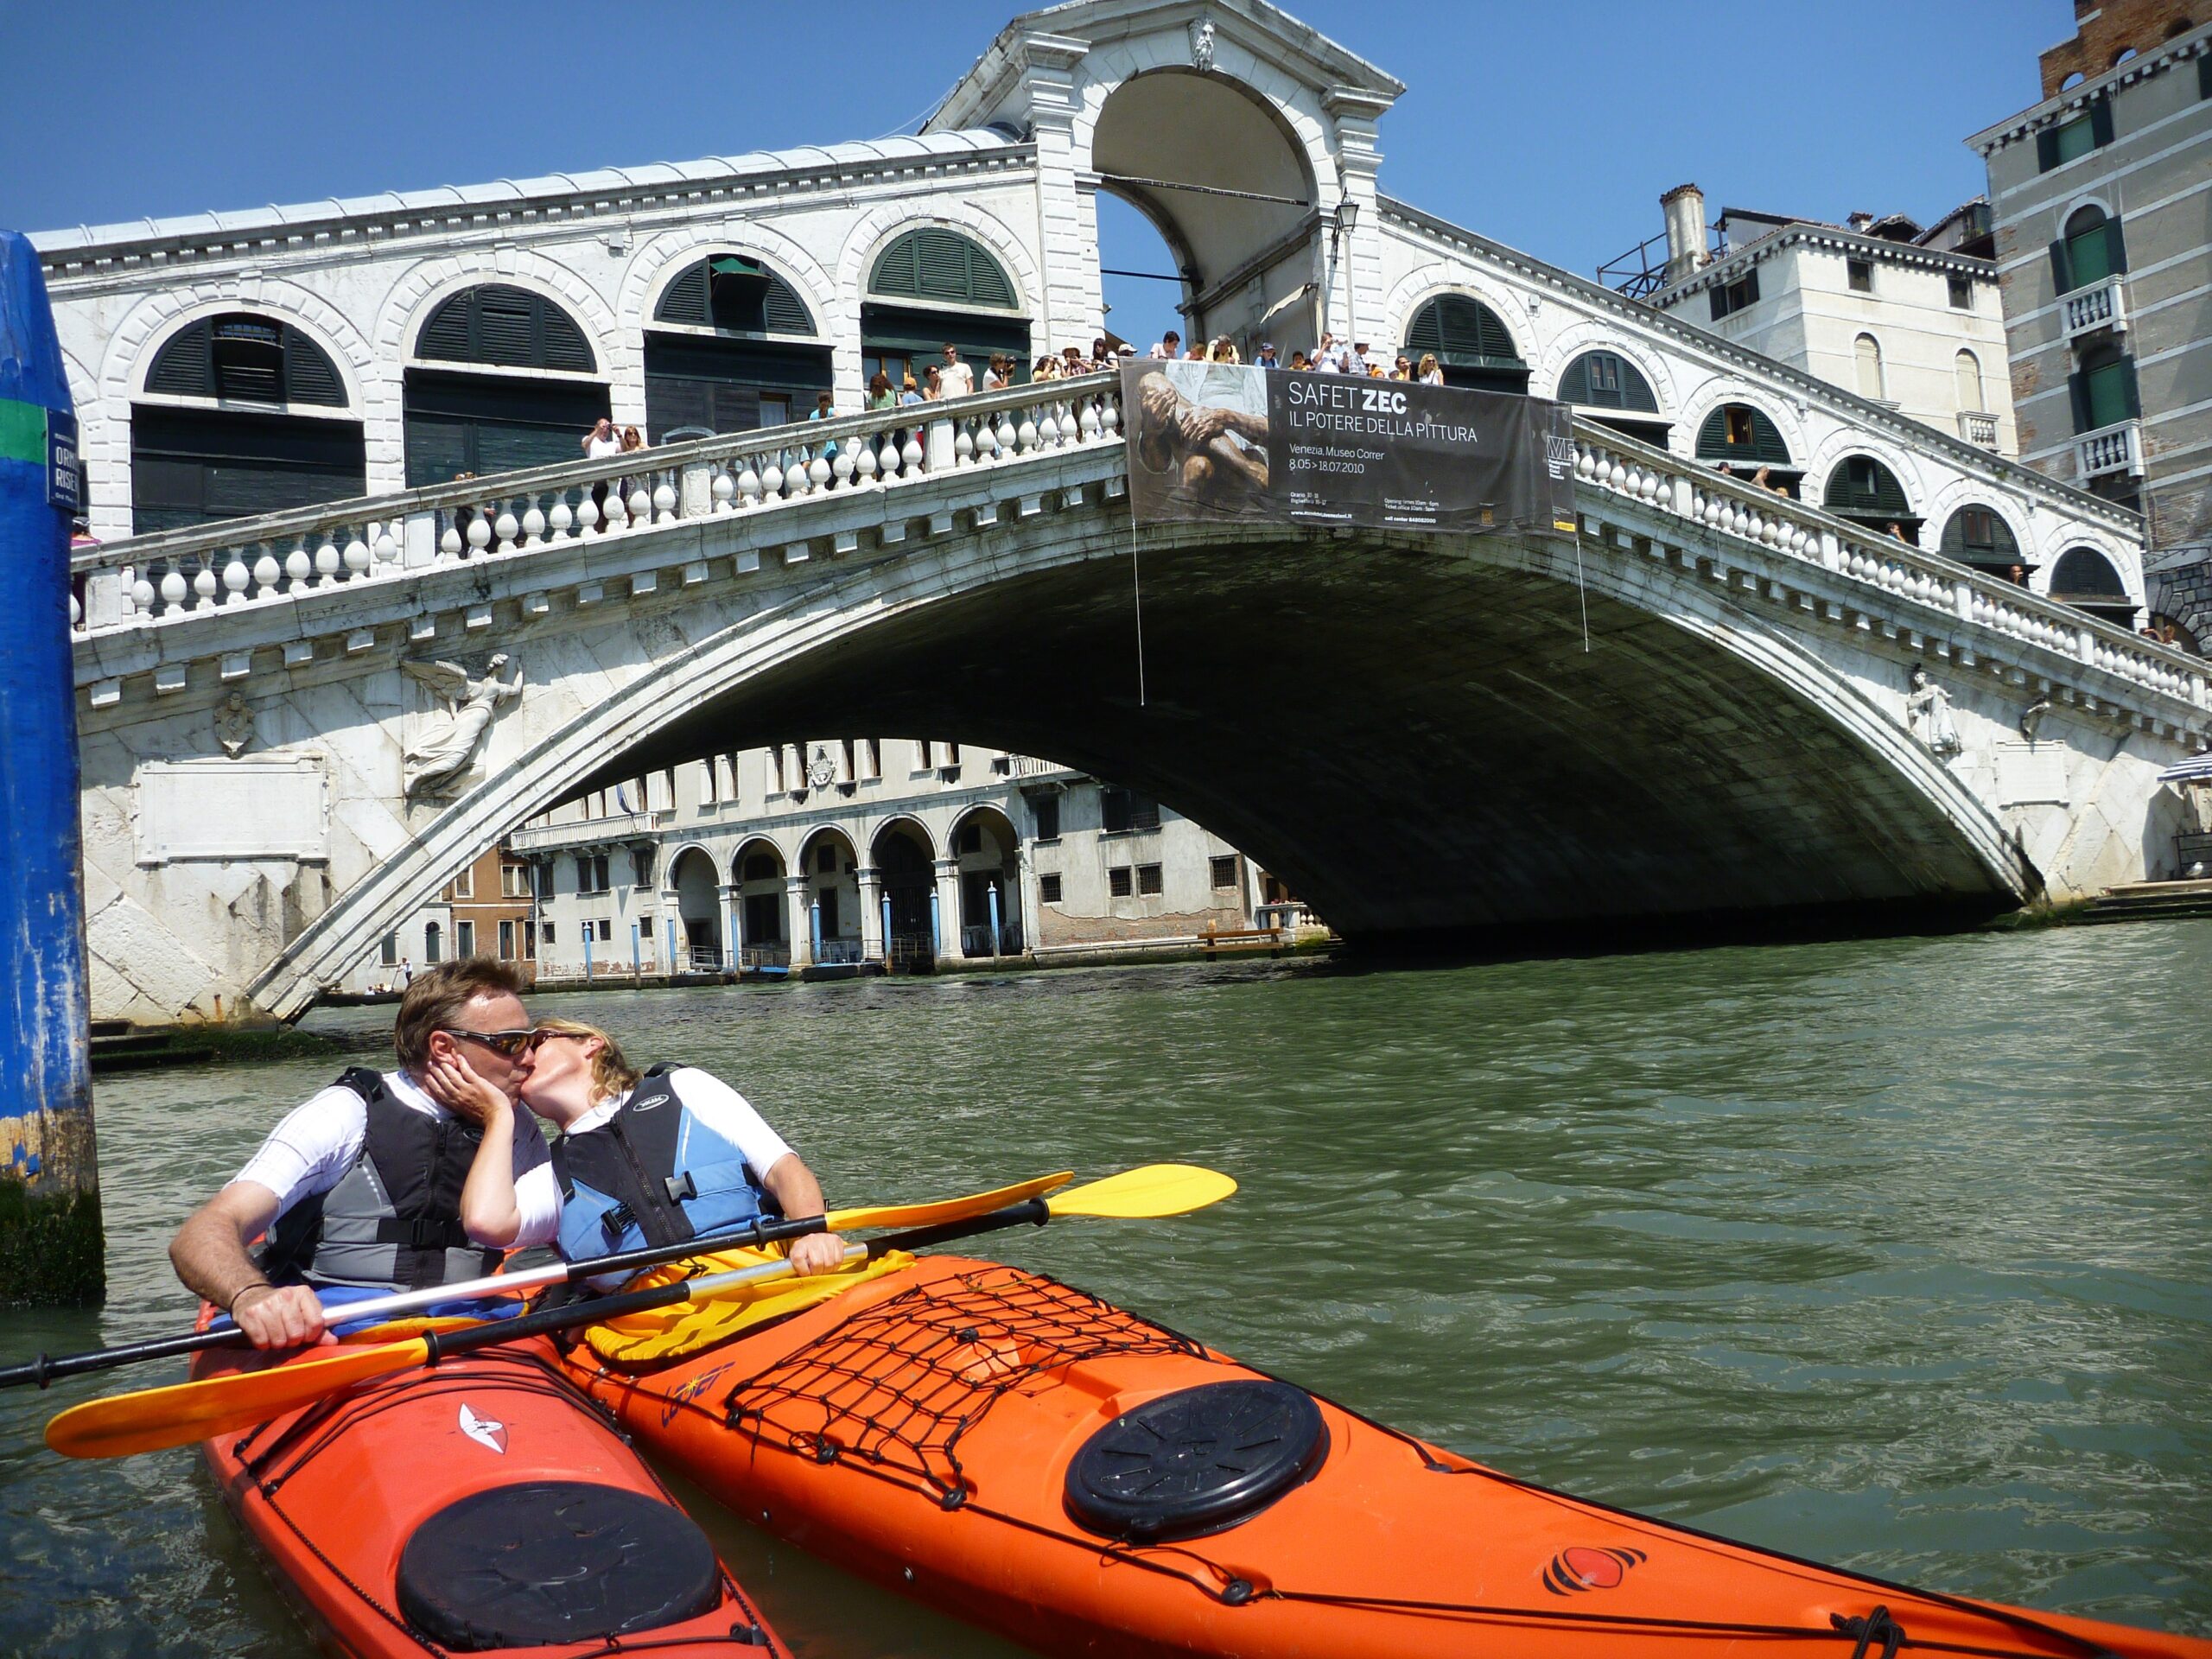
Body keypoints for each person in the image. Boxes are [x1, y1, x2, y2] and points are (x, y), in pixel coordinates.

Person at [167, 962, 557, 1349]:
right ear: (444, 1048)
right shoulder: (345, 1113)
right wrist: (250, 1295)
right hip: (335, 1321)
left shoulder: (513, 1123)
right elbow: (205, 1230)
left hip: (466, 1318)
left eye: (532, 1040)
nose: (528, 1059)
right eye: (510, 1042)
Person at [500, 1018, 845, 1285]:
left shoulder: (684, 1087)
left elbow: (782, 1169)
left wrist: (812, 1233)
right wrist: (497, 1110)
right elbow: (487, 1223)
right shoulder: (550, 1174)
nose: (524, 1055)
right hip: (655, 1318)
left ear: (592, 1044)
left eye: (537, 1040)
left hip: (756, 1270)